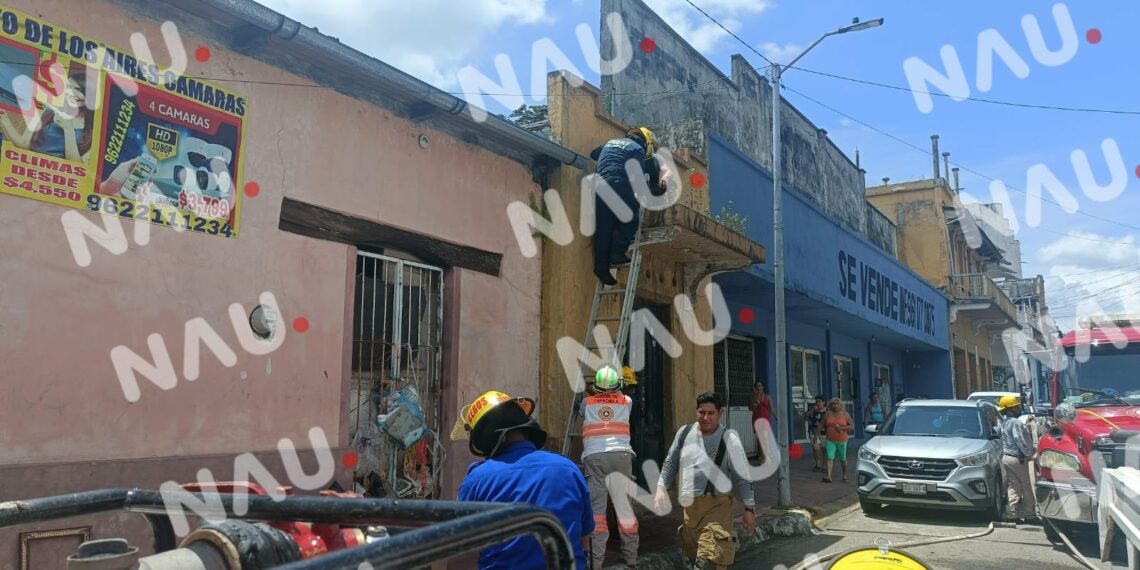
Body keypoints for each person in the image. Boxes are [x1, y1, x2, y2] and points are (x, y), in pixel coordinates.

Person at [454, 390, 593, 569]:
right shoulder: (569, 469)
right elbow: (584, 540)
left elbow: (461, 547)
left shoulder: (477, 480)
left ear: (484, 438)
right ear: (525, 427)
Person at [654, 392, 755, 570]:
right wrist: (661, 487)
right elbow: (671, 462)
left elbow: (742, 476)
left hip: (718, 508)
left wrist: (749, 508)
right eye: (702, 412)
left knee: (708, 562)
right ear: (696, 412)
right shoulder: (684, 433)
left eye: (711, 413)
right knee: (694, 560)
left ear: (720, 413)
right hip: (690, 510)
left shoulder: (730, 439)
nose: (705, 417)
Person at [588, 127, 667, 285]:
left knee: (604, 227)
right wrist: (656, 189)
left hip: (599, 186)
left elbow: (593, 154)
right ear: (646, 143)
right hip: (619, 182)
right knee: (630, 218)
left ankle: (601, 268)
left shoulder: (609, 143)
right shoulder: (637, 149)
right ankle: (617, 253)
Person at [581, 366, 639, 569]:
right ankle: (631, 557)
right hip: (621, 456)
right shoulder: (626, 401)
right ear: (618, 385)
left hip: (595, 457)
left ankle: (596, 562)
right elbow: (618, 397)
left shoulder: (587, 402)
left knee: (597, 511)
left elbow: (587, 408)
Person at [0, 66, 93, 163]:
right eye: (68, 87)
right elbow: (24, 144)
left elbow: (77, 166)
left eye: (78, 89)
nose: (71, 93)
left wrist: (68, 129)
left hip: (58, 175)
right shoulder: (46, 111)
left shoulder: (91, 129)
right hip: (29, 168)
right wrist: (4, 119)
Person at [998, 395, 1039, 524]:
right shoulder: (1015, 422)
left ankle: (1012, 514)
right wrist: (1028, 454)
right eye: (1016, 407)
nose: (1018, 408)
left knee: (1013, 485)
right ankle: (1030, 515)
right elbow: (1018, 439)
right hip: (1017, 458)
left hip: (1007, 457)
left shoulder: (1005, 422)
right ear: (1010, 409)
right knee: (1026, 486)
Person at [819, 398, 854, 484]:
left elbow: (852, 426)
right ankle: (828, 476)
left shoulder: (845, 414)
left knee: (843, 459)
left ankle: (845, 476)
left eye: (837, 404)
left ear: (840, 405)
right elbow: (821, 424)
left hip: (842, 440)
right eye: (833, 404)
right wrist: (816, 435)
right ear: (830, 405)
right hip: (830, 440)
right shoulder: (827, 414)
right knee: (829, 457)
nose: (835, 405)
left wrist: (842, 428)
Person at [749, 381, 773, 463]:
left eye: (760, 386)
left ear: (763, 387)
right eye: (757, 386)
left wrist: (777, 417)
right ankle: (762, 456)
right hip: (757, 419)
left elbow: (771, 409)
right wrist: (754, 403)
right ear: (755, 388)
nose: (759, 387)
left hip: (766, 419)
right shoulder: (753, 397)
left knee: (765, 438)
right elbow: (751, 409)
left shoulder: (767, 397)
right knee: (760, 439)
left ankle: (767, 457)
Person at [803, 396, 827, 473]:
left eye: (819, 401)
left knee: (824, 449)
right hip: (813, 432)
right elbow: (805, 417)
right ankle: (818, 465)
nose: (818, 403)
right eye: (816, 401)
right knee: (816, 448)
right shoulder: (813, 410)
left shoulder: (827, 411)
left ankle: (824, 466)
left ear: (823, 402)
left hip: (824, 433)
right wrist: (813, 410)